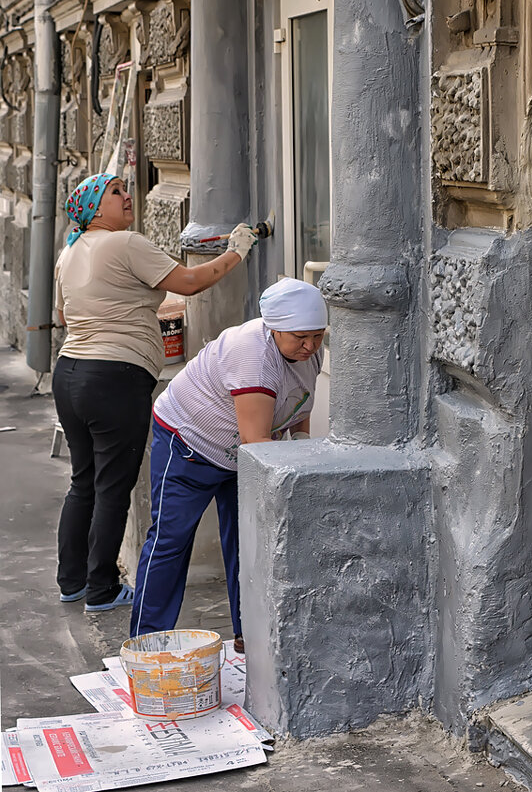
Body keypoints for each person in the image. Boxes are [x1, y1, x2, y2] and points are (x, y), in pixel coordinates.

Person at [53, 172, 257, 612]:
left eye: (127, 189)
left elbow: (66, 315)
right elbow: (189, 283)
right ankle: (103, 590)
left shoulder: (68, 253)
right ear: (93, 208)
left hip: (69, 374)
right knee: (113, 486)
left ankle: (72, 581)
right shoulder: (125, 243)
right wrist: (237, 252)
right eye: (116, 193)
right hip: (114, 379)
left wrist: (133, 305)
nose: (128, 197)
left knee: (83, 480)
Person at [130, 277, 328, 652]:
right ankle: (146, 641)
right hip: (190, 444)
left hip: (241, 454)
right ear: (274, 329)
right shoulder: (251, 355)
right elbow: (257, 443)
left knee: (247, 541)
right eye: (301, 337)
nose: (311, 346)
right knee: (171, 541)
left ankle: (247, 637)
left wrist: (301, 440)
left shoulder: (308, 351)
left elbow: (299, 401)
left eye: (318, 336)